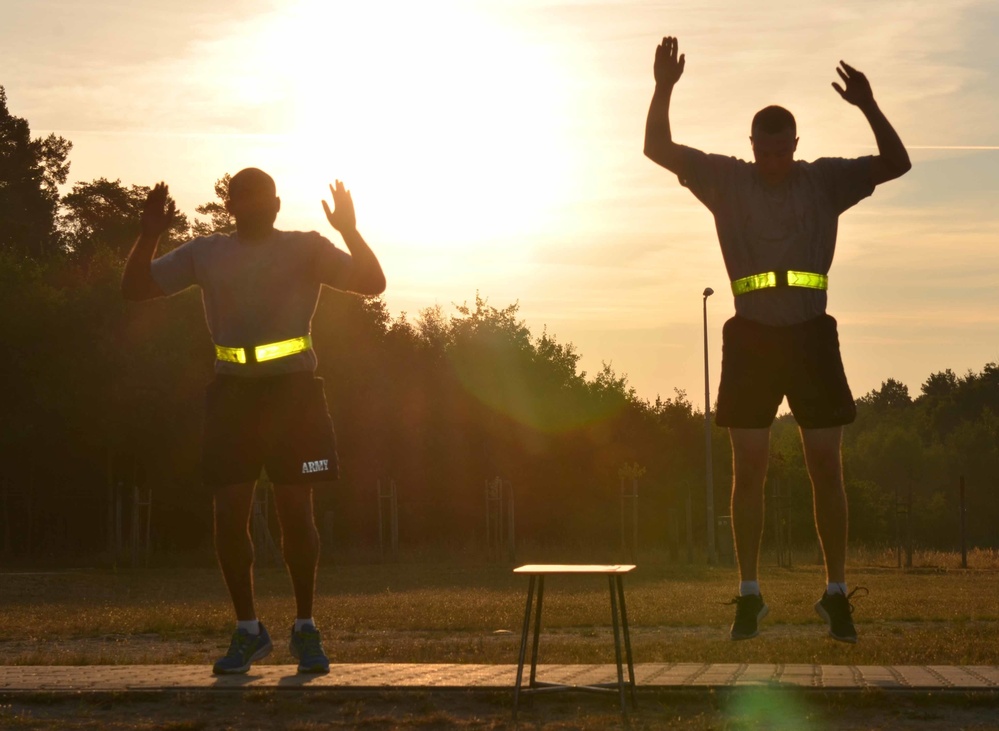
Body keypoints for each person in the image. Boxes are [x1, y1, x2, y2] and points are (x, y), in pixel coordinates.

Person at [644, 37, 910, 643]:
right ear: (751, 146)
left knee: (826, 465)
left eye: (780, 151)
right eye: (762, 151)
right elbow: (656, 148)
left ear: (795, 145)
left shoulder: (824, 181)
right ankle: (749, 595)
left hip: (811, 334)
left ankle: (836, 594)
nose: (771, 161)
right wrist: (663, 88)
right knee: (749, 467)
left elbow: (896, 163)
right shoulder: (725, 179)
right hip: (751, 336)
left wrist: (869, 105)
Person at [122, 168, 386, 673]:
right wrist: (149, 234)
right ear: (230, 206)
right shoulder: (206, 252)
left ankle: (305, 629)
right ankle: (248, 631)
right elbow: (134, 288)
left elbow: (373, 284)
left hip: (295, 397)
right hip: (233, 397)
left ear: (277, 204)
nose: (253, 204)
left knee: (297, 513)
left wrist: (349, 231)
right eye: (242, 197)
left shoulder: (306, 247)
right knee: (229, 514)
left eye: (261, 197)